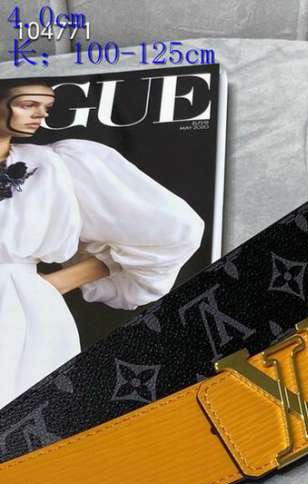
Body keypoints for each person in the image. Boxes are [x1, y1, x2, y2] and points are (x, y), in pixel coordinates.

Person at [0, 80, 204, 408]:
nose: (40, 115)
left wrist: (51, 285)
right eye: (28, 105)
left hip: (20, 312)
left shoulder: (53, 165)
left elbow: (174, 230)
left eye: (46, 108)